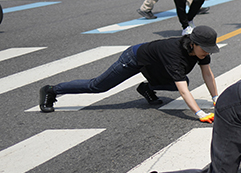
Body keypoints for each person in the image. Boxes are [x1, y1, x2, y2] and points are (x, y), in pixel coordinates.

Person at [39, 26, 220, 122]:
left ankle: (147, 88)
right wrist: (199, 113)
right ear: (192, 43)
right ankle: (51, 90)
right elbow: (183, 91)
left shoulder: (201, 52)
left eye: (209, 49)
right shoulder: (174, 54)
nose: (207, 52)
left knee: (182, 80)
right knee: (98, 86)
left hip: (154, 65)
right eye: (205, 48)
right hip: (133, 58)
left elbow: (207, 74)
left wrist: (215, 99)